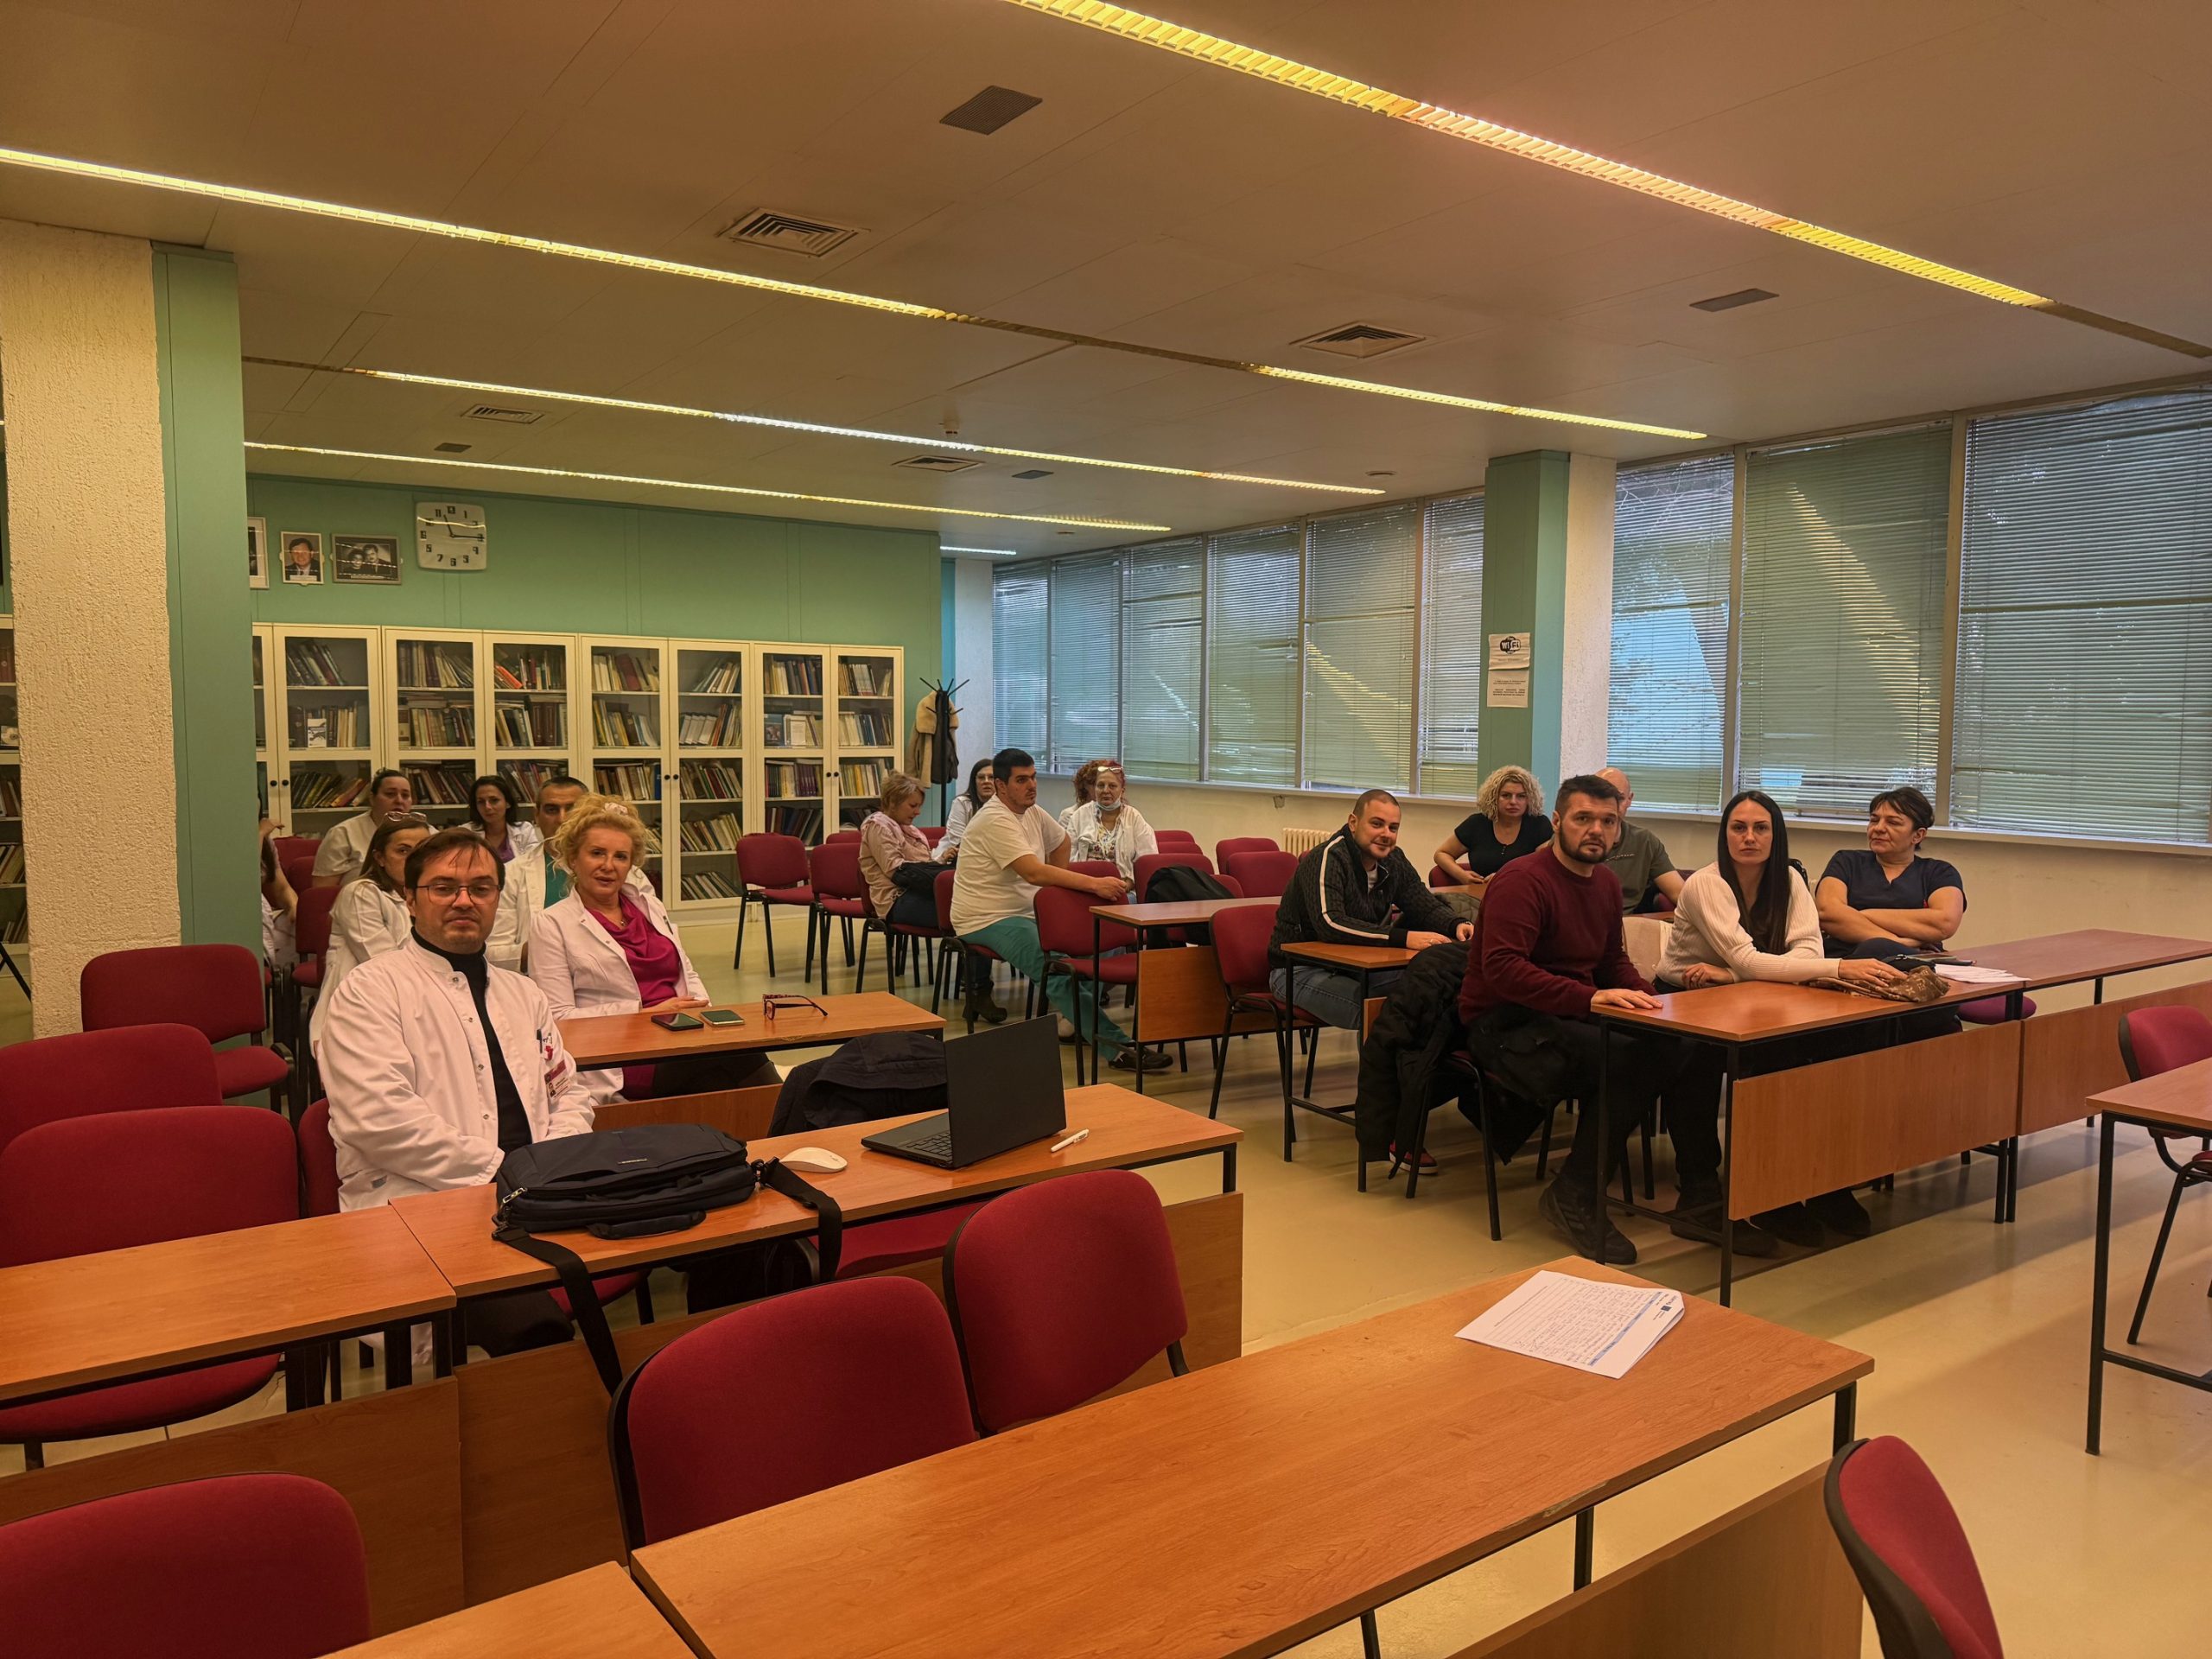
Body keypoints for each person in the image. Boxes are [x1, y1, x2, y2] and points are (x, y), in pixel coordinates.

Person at [320, 827, 595, 1357]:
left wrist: (550, 1165)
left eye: (481, 888)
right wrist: (505, 1174)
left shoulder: (523, 993)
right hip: (428, 1200)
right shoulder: (370, 992)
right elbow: (380, 1120)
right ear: (410, 898)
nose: (464, 901)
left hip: (541, 1192)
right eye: (444, 888)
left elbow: (568, 1093)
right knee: (534, 1332)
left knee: (688, 1245)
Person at [1458, 773, 1728, 1265]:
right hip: (1506, 1022)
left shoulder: (1604, 883)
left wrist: (1655, 1004)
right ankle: (1575, 1192)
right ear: (1557, 821)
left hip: (1572, 1011)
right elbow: (1504, 971)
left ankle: (1700, 1196)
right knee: (1628, 1061)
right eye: (1583, 819)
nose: (1596, 831)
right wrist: (1592, 998)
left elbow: (1611, 962)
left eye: (1608, 821)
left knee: (1693, 1047)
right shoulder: (1523, 880)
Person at [1660, 790, 1907, 1245]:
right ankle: (1700, 1195)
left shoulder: (1790, 879)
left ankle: (1805, 1182)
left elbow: (1807, 950)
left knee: (1815, 1052)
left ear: (1776, 835)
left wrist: (1735, 975)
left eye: (1761, 828)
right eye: (1738, 828)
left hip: (1752, 994)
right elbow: (1751, 960)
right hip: (1683, 999)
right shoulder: (1706, 884)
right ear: (1724, 834)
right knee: (1697, 1061)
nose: (1749, 838)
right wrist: (1835, 968)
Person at [530, 795, 773, 1099]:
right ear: (573, 858)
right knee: (738, 1059)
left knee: (727, 1070)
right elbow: (559, 1018)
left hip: (679, 1032)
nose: (608, 866)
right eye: (597, 853)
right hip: (623, 1051)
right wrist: (645, 1013)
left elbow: (687, 972)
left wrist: (702, 1011)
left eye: (621, 857)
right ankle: (794, 1123)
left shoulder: (650, 906)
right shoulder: (551, 924)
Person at [950, 747, 1166, 1071]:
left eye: (1033, 777)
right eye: (1022, 780)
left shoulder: (1032, 812)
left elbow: (1061, 841)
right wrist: (1091, 884)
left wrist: (1056, 895)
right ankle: (1119, 1048)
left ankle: (1075, 1021)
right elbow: (1034, 873)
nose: (1032, 786)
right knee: (1056, 968)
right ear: (1000, 786)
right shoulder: (994, 818)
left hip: (1026, 911)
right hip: (987, 917)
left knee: (1094, 944)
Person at [1272, 789, 1471, 1031]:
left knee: (1424, 991)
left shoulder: (1394, 859)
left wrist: (1457, 924)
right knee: (1381, 1011)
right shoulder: (1327, 858)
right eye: (1377, 824)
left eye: (1393, 828)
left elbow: (1423, 904)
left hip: (1355, 966)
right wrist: (1404, 938)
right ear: (1353, 823)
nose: (1386, 834)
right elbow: (1331, 924)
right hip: (1297, 970)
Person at [489, 773, 641, 972]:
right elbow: (493, 953)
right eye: (551, 810)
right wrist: (551, 947)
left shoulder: (626, 873)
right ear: (537, 816)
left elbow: (654, 936)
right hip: (537, 982)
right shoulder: (511, 874)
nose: (562, 819)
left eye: (571, 809)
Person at [310, 813, 432, 1048]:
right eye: (403, 851)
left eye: (423, 850)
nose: (415, 859)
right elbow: (384, 965)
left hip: (418, 1006)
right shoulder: (361, 893)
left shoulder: (430, 895)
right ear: (380, 858)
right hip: (364, 1011)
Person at [1815, 785, 1965, 957]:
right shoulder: (1846, 861)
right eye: (1874, 820)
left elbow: (1944, 923)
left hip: (1913, 961)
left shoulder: (1940, 872)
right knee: (1875, 948)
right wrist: (1896, 941)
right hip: (1845, 959)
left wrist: (1861, 915)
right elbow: (1827, 913)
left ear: (1918, 835)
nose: (1878, 828)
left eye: (1893, 822)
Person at [1432, 766, 1550, 909]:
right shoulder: (1477, 823)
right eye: (1506, 795)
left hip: (1524, 899)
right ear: (1494, 797)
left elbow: (1545, 866)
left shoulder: (1539, 824)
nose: (1513, 801)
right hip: (1479, 901)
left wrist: (1505, 878)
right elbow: (1441, 854)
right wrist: (1462, 875)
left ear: (1529, 799)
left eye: (1521, 796)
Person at [859, 772, 941, 931]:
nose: (918, 812)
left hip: (918, 892)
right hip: (895, 899)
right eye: (913, 806)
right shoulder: (878, 827)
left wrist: (942, 860)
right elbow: (896, 870)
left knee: (965, 905)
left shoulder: (910, 829)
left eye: (919, 806)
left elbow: (924, 862)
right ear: (892, 802)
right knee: (959, 910)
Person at [1597, 767, 1686, 913]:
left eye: (1618, 798)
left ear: (1629, 799)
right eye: (1602, 797)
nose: (1611, 806)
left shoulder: (1644, 842)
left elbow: (1680, 894)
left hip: (1628, 922)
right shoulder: (1574, 839)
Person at [312, 769, 416, 887]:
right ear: (372, 798)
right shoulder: (343, 833)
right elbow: (323, 890)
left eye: (405, 795)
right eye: (390, 794)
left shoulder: (426, 832)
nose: (399, 801)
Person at [1059, 762, 1157, 880]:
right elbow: (1067, 860)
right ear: (1095, 789)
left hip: (1123, 886)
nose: (1105, 790)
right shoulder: (1079, 816)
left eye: (1112, 786)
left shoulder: (1134, 818)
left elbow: (1147, 863)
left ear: (1122, 790)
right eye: (1101, 785)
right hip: (1085, 884)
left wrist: (1129, 882)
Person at [467, 774, 541, 865]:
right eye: (481, 802)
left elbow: (534, 864)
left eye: (494, 800)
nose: (487, 807)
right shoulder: (466, 833)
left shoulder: (524, 830)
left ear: (508, 803)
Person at [259, 816, 298, 974]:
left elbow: (282, 888)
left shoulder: (266, 843)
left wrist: (294, 905)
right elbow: (243, 880)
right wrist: (260, 834)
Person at [934, 760, 994, 862]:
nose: (986, 781)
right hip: (951, 859)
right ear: (974, 781)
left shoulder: (1004, 805)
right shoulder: (961, 803)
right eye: (981, 777)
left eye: (991, 777)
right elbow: (959, 841)